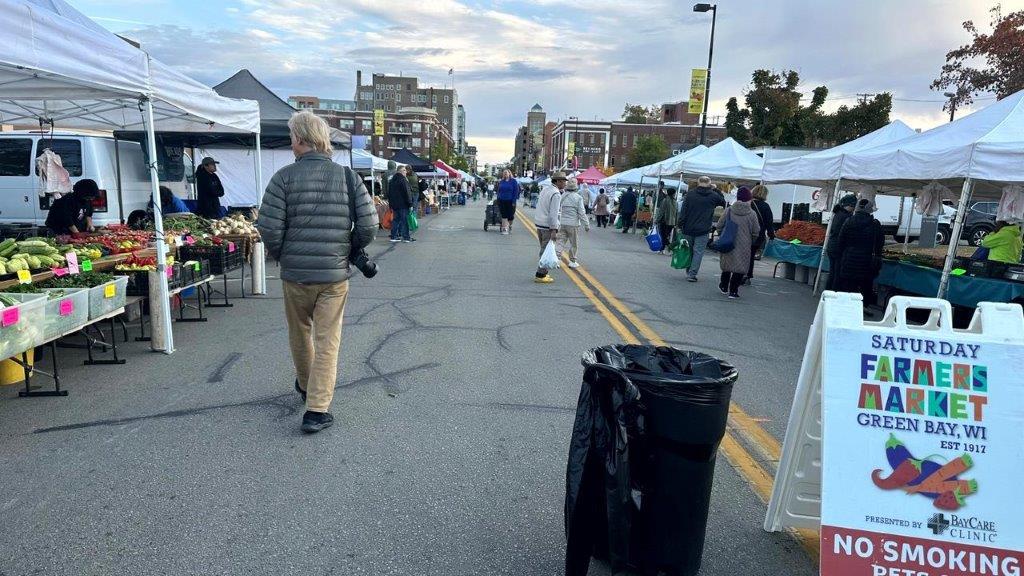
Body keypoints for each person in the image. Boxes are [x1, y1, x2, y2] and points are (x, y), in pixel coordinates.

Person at [257, 111, 379, 434]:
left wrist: (285, 253)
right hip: (334, 276)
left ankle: (304, 383)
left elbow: (267, 227)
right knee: (328, 340)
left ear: (299, 140)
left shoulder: (282, 179)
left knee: (299, 332)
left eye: (291, 137)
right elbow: (369, 224)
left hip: (295, 275)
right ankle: (316, 409)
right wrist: (348, 248)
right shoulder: (347, 178)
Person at [834, 198, 885, 307]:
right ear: (870, 210)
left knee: (849, 285)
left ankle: (847, 306)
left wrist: (844, 254)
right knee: (865, 285)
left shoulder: (848, 221)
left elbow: (840, 241)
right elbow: (880, 243)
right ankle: (862, 306)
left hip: (849, 259)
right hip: (866, 261)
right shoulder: (875, 224)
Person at [678, 176, 727, 282]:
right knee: (698, 252)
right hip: (704, 229)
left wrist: (680, 224)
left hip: (688, 228)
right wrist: (716, 189)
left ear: (698, 183)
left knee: (689, 250)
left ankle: (689, 270)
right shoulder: (713, 196)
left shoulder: (690, 194)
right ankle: (692, 274)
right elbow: (723, 202)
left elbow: (683, 211)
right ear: (709, 184)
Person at [716, 186, 761, 299]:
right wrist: (752, 239)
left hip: (728, 241)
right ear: (748, 198)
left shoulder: (729, 210)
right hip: (745, 244)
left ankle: (724, 286)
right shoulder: (752, 213)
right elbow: (756, 231)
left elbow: (719, 225)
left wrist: (722, 235)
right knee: (740, 267)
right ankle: (733, 291)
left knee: (727, 265)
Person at [534, 171, 567, 283]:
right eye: (563, 181)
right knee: (545, 251)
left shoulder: (545, 189)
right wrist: (554, 229)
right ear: (557, 181)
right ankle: (540, 274)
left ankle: (543, 273)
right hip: (547, 225)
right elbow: (554, 213)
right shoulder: (556, 194)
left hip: (539, 223)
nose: (565, 183)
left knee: (544, 248)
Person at [824, 194, 858, 291]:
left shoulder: (838, 213)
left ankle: (828, 291)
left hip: (832, 246)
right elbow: (845, 235)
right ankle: (834, 292)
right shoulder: (846, 217)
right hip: (839, 248)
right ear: (850, 205)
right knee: (837, 273)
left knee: (832, 271)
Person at [559, 177, 590, 268]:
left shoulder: (563, 195)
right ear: (576, 187)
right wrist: (586, 224)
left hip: (563, 222)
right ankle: (572, 261)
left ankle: (556, 259)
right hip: (573, 224)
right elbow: (581, 212)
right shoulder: (578, 198)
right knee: (573, 243)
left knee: (560, 242)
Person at [748, 184, 776, 281]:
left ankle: (739, 272)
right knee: (751, 256)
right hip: (758, 235)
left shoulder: (748, 203)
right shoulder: (765, 207)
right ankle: (748, 275)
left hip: (745, 233)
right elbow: (769, 222)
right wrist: (771, 235)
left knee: (742, 254)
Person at [387, 166, 414, 243]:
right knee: (404, 221)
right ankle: (406, 237)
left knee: (396, 220)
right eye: (404, 170)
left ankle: (393, 236)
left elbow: (389, 194)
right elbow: (407, 193)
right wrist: (410, 204)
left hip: (395, 205)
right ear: (400, 171)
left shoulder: (392, 181)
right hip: (403, 204)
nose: (406, 172)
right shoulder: (403, 180)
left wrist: (391, 205)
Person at [654, 187, 679, 254]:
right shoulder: (675, 202)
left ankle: (672, 248)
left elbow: (661, 211)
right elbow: (676, 213)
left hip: (664, 221)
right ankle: (662, 250)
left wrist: (657, 220)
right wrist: (676, 223)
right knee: (665, 236)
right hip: (672, 222)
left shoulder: (665, 200)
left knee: (663, 236)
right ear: (673, 194)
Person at [496, 169, 521, 235]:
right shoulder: (502, 181)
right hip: (502, 200)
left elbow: (516, 192)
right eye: (504, 173)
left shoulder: (513, 181)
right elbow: (499, 190)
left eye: (506, 173)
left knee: (510, 216)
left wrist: (514, 201)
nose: (505, 174)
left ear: (509, 173)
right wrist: (498, 198)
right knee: (504, 215)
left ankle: (510, 225)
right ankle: (504, 229)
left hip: (510, 201)